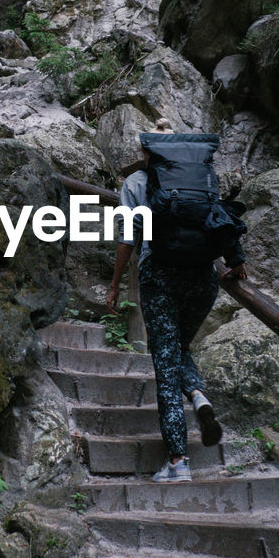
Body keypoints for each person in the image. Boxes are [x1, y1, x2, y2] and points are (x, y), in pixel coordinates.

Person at [106, 119, 247, 482]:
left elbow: (126, 239)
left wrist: (115, 284)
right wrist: (236, 261)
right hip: (203, 275)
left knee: (166, 365)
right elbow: (221, 219)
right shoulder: (202, 179)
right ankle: (198, 393)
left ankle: (178, 461)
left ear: (147, 151)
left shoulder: (136, 184)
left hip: (160, 275)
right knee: (179, 346)